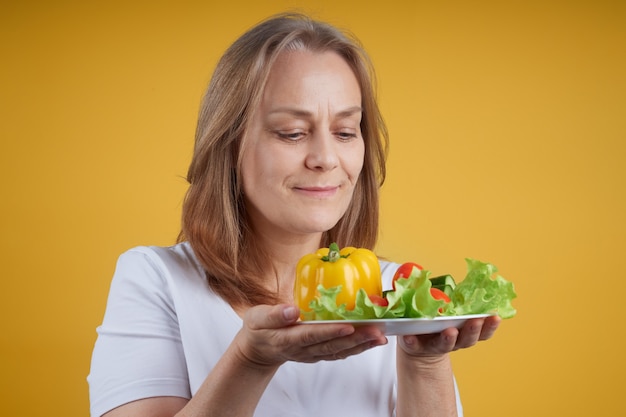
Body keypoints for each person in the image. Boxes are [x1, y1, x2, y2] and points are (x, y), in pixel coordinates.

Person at [88, 12, 501, 417]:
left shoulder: (398, 297)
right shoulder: (157, 279)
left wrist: (424, 362)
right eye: (292, 132)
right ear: (230, 145)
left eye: (344, 132)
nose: (325, 158)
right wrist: (250, 360)